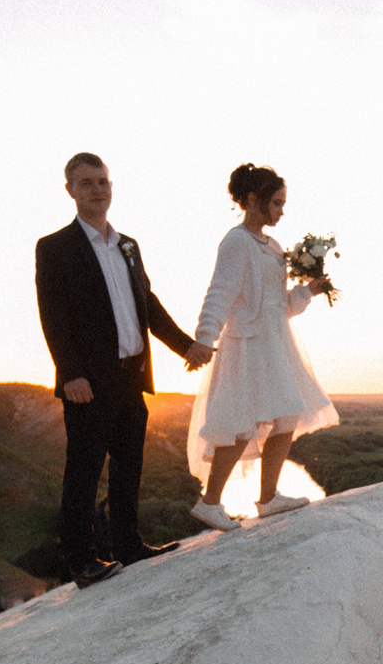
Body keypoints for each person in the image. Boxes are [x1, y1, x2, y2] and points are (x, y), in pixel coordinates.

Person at [34, 152, 211, 586]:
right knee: (84, 470)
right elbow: (52, 315)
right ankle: (81, 560)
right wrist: (69, 373)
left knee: (129, 464)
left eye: (103, 181)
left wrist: (186, 345)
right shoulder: (54, 247)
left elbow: (148, 304)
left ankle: (128, 545)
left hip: (132, 373)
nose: (97, 189)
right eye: (87, 183)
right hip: (88, 381)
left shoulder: (128, 245)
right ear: (70, 191)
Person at [185, 162, 338, 530]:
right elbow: (220, 292)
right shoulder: (237, 241)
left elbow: (279, 305)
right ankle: (209, 502)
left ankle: (268, 498)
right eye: (276, 202)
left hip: (276, 343)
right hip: (248, 344)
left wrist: (308, 291)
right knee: (242, 424)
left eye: (283, 203)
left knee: (287, 416)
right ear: (253, 199)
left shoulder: (272, 246)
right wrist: (204, 337)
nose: (281, 211)